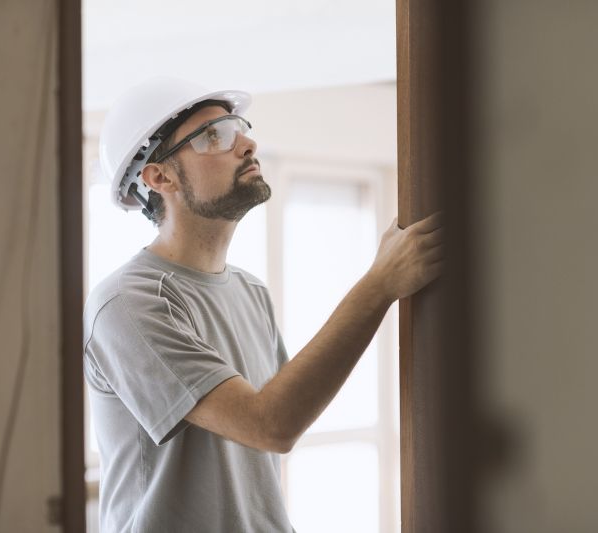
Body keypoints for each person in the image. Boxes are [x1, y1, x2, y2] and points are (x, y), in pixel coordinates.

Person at [83, 77, 444, 533]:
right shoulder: (128, 304)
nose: (247, 143)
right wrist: (379, 285)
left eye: (239, 127)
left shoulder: (249, 292)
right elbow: (271, 424)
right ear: (160, 176)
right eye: (215, 136)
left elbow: (284, 411)